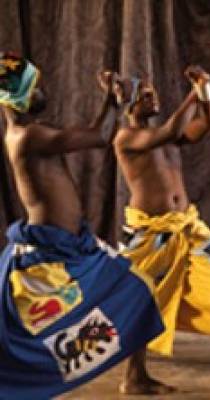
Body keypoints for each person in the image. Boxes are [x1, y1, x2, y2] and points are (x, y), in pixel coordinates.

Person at [0, 52, 163, 399]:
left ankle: (136, 377)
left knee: (139, 287)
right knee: (39, 333)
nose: (42, 91)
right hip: (52, 251)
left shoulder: (27, 132)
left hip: (73, 243)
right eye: (34, 87)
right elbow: (100, 135)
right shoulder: (28, 136)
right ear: (17, 96)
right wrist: (114, 99)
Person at [109, 65, 210, 395]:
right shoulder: (127, 138)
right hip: (152, 232)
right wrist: (194, 91)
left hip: (187, 226)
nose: (154, 98)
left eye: (154, 93)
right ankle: (134, 377)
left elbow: (208, 122)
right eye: (146, 95)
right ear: (131, 104)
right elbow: (170, 129)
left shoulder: (170, 136)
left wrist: (205, 90)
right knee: (142, 299)